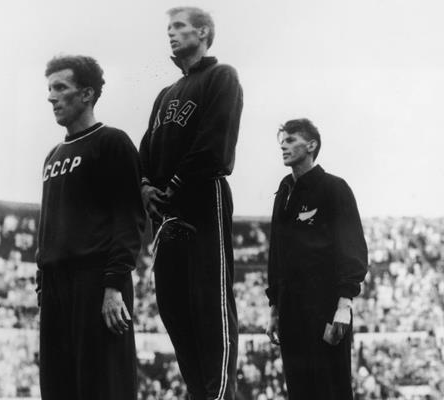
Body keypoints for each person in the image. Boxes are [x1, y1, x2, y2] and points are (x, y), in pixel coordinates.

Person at [139, 7, 243, 400]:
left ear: (203, 32)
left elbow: (216, 145)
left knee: (209, 308)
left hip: (203, 199)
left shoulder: (222, 76)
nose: (171, 33)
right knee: (174, 309)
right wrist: (146, 187)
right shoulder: (165, 94)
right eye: (168, 27)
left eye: (179, 27)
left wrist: (174, 184)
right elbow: (145, 151)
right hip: (168, 212)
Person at [36, 55, 145, 400]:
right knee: (59, 387)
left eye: (60, 87)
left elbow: (129, 218)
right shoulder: (53, 156)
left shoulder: (111, 142)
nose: (51, 96)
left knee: (103, 387)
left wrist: (113, 286)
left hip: (96, 282)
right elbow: (48, 226)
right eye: (49, 88)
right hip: (56, 287)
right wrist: (43, 286)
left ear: (86, 94)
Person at [265, 118, 368, 399]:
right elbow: (276, 255)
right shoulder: (283, 192)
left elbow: (352, 248)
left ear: (311, 145)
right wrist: (274, 308)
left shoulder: (334, 188)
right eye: (282, 141)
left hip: (324, 308)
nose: (283, 146)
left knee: (331, 389)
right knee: (299, 390)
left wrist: (344, 305)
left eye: (290, 140)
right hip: (290, 311)